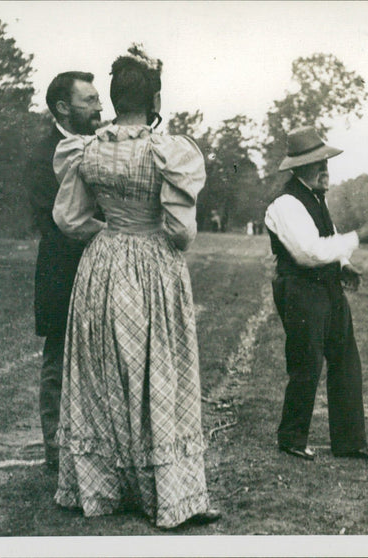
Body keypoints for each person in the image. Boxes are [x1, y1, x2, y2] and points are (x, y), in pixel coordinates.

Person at [51, 45, 220, 529]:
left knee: (106, 370)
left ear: (113, 96)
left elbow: (70, 218)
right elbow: (180, 231)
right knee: (156, 369)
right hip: (151, 262)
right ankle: (164, 491)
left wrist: (107, 236)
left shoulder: (87, 148)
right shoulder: (167, 151)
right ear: (154, 99)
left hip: (102, 263)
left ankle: (104, 486)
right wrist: (145, 235)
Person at [264, 126, 368, 462]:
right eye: (317, 164)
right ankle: (291, 437)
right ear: (298, 168)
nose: (325, 170)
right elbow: (308, 252)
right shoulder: (286, 203)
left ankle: (350, 441)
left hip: (327, 287)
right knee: (307, 361)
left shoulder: (317, 199)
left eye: (326, 163)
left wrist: (345, 264)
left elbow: (328, 237)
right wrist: (358, 238)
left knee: (346, 359)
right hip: (300, 289)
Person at [25, 71, 103, 471]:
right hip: (62, 272)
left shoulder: (100, 146)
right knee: (58, 360)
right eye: (88, 100)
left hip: (102, 266)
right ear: (62, 107)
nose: (99, 106)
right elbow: (55, 222)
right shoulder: (43, 155)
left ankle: (94, 445)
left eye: (98, 99)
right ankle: (56, 452)